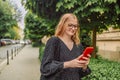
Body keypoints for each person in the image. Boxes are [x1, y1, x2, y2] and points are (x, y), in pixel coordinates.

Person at [40, 13, 91, 80]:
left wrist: (84, 66)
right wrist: (68, 64)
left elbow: (80, 74)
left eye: (75, 26)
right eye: (70, 25)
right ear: (63, 25)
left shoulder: (78, 45)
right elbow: (45, 68)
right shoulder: (54, 41)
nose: (73, 28)